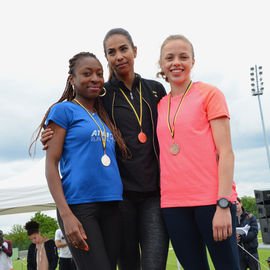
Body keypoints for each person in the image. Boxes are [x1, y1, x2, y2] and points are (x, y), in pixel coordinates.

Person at [41, 29, 169, 270]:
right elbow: (58, 154)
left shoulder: (150, 92)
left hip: (136, 198)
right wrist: (50, 134)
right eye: (112, 52)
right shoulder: (92, 100)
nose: (119, 56)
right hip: (109, 201)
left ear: (135, 51)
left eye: (124, 49)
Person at [30, 52, 129, 270]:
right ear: (72, 79)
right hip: (80, 207)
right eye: (87, 73)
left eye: (99, 73)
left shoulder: (103, 115)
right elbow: (51, 166)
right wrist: (66, 215)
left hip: (112, 206)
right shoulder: (63, 110)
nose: (95, 78)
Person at [156, 34, 240, 270]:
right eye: (169, 57)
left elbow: (227, 152)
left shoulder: (210, 94)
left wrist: (223, 203)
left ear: (193, 61)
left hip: (211, 201)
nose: (176, 62)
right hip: (173, 205)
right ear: (161, 65)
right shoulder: (160, 105)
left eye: (183, 57)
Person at [236, 197, 260, 270]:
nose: (235, 206)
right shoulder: (230, 219)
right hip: (238, 253)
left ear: (241, 204)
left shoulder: (250, 217)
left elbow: (254, 232)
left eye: (236, 204)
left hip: (252, 252)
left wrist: (241, 238)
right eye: (233, 204)